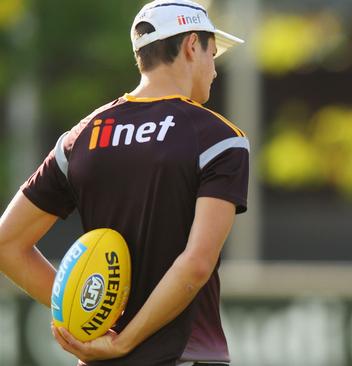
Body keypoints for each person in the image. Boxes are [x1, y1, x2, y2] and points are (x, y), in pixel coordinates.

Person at [0, 0, 248, 365]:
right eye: (213, 53)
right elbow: (196, 264)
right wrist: (124, 341)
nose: (214, 70)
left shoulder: (82, 136)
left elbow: (7, 243)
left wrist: (84, 313)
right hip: (184, 357)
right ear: (192, 45)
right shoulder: (219, 137)